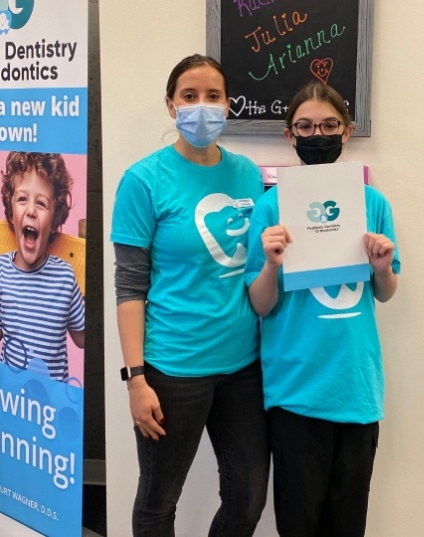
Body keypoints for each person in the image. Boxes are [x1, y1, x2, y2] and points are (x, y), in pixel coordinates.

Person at [110, 54, 270, 537]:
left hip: (244, 367)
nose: (202, 107)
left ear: (229, 104)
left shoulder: (247, 175)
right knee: (159, 501)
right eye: (190, 96)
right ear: (170, 105)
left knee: (247, 501)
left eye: (213, 96)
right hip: (172, 370)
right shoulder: (143, 181)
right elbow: (130, 286)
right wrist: (136, 380)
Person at [245, 81, 401, 537]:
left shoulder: (374, 204)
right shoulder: (269, 207)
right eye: (306, 126)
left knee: (347, 524)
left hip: (355, 388)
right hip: (295, 391)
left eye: (329, 124)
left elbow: (386, 292)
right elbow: (259, 304)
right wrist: (271, 264)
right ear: (289, 135)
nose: (319, 134)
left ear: (347, 131)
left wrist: (383, 267)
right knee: (298, 523)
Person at [0, 151, 85, 382]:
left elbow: (84, 338)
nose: (30, 210)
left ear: (56, 215)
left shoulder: (65, 276)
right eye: (22, 199)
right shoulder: (1, 273)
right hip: (11, 402)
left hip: (52, 407)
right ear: (10, 208)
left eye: (41, 203)